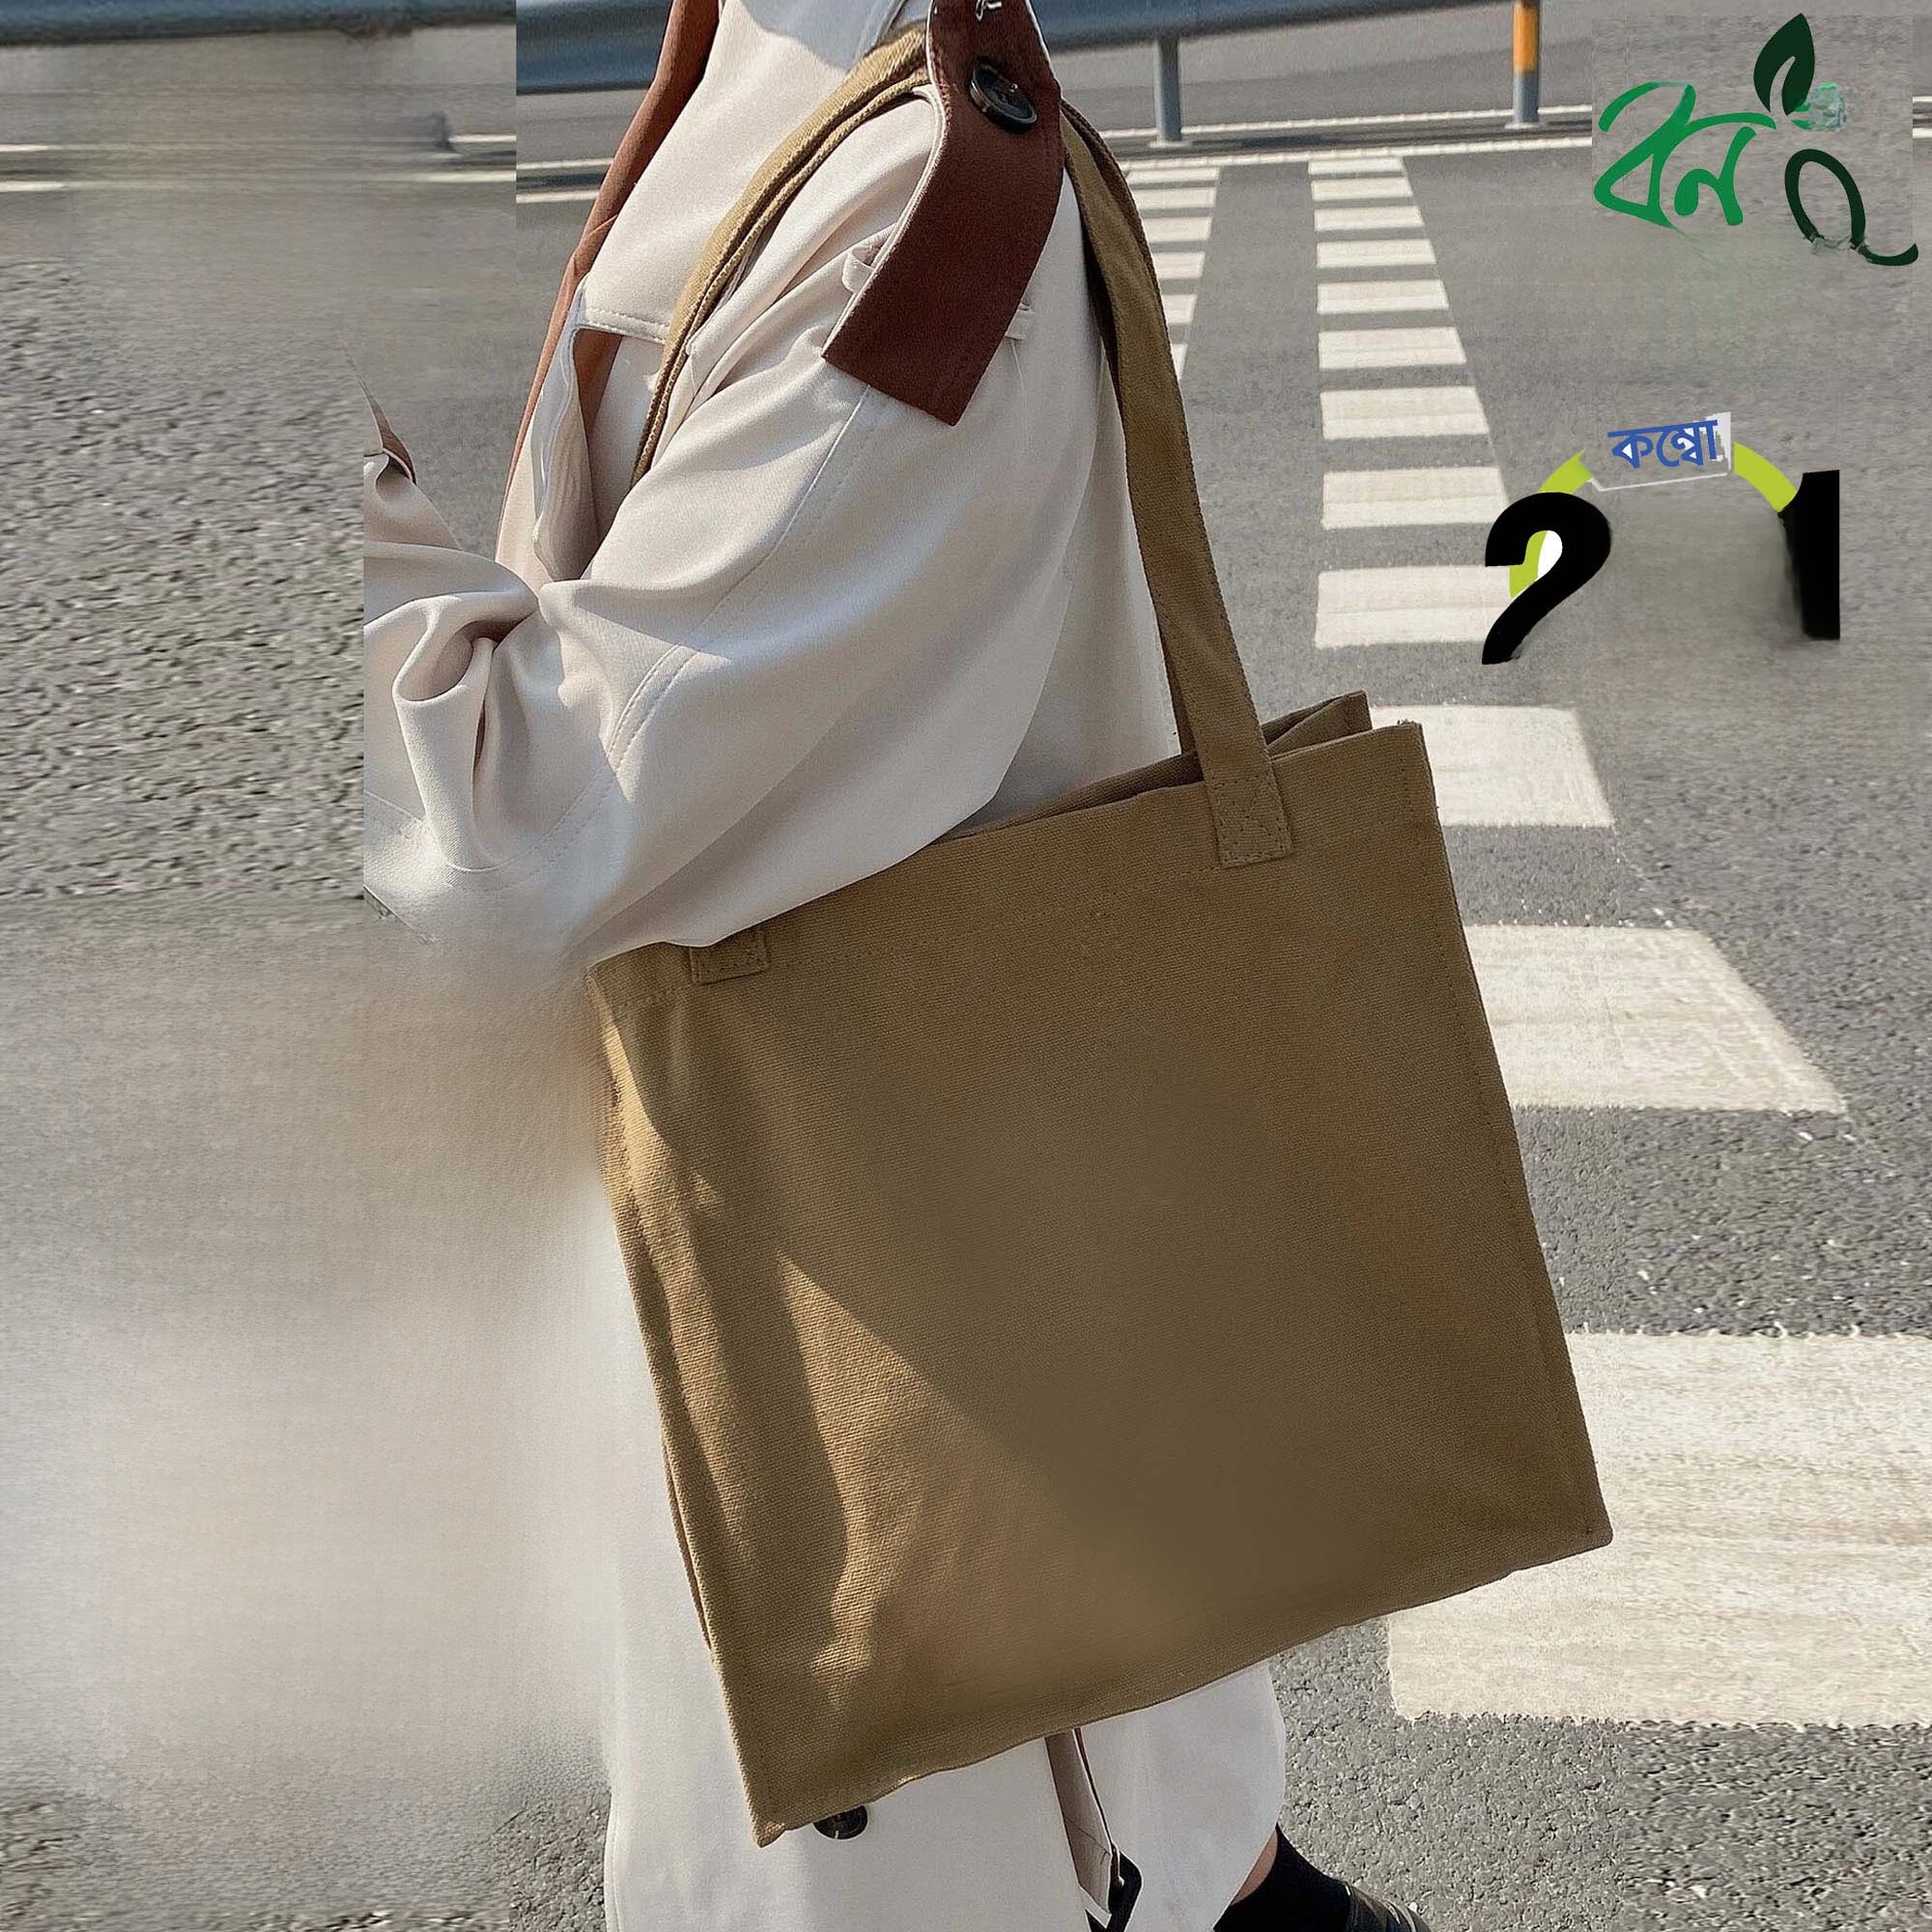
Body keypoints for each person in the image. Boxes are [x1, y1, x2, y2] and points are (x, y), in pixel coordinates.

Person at [362, 0, 1429, 1925]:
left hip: (870, 1350)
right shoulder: (758, 80)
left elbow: (529, 830)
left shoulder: (918, 202)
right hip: (867, 1292)